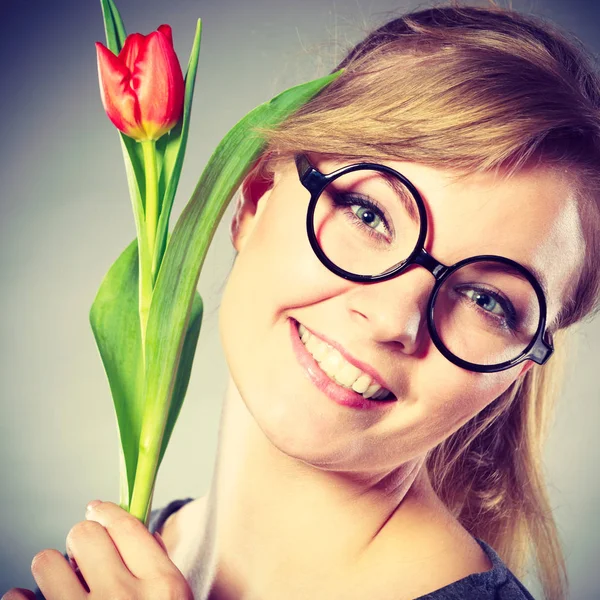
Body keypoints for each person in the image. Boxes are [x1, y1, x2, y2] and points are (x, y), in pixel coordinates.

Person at [4, 3, 600, 600]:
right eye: (370, 215)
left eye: (485, 299)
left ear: (516, 370)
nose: (394, 318)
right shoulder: (131, 565)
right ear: (257, 195)